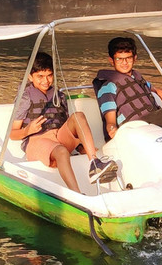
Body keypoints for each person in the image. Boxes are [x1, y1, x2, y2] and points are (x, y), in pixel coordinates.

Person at [11, 51, 117, 192]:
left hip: (58, 137)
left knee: (78, 116)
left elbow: (67, 126)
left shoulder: (59, 96)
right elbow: (12, 134)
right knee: (61, 151)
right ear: (30, 76)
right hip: (37, 141)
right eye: (40, 76)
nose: (46, 81)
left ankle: (95, 164)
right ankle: (76, 194)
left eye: (49, 75)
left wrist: (80, 147)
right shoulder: (24, 98)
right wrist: (27, 130)